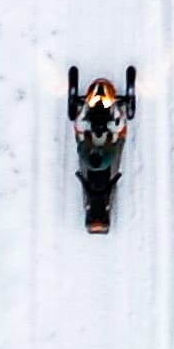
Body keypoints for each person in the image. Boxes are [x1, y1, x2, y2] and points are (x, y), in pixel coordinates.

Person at [67, 65, 136, 231]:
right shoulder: (107, 155)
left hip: (97, 141)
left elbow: (81, 134)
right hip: (105, 140)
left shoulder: (88, 154)